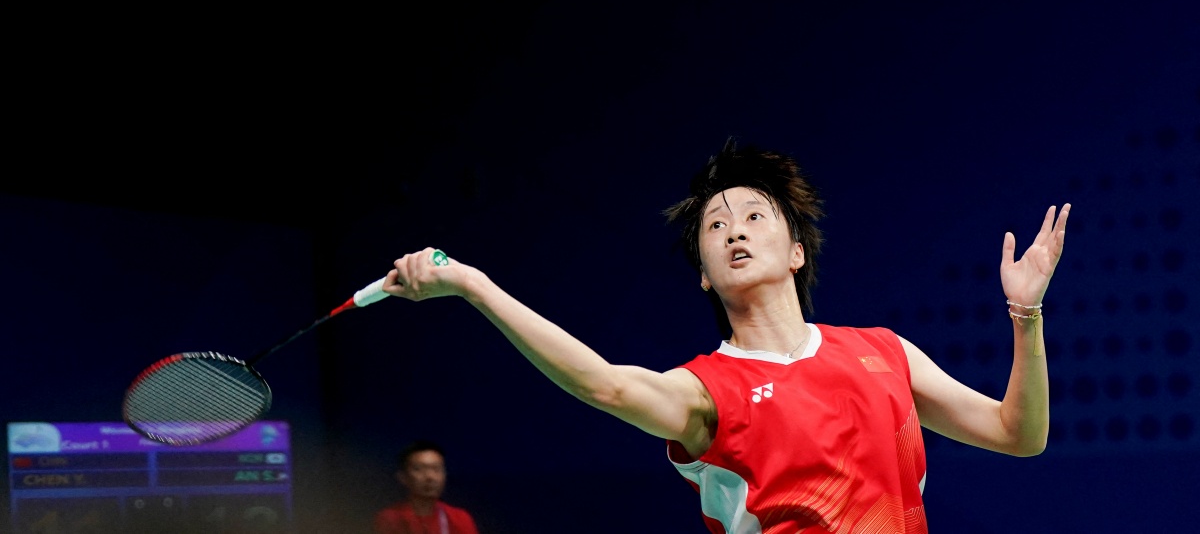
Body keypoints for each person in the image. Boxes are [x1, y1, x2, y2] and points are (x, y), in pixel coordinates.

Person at [382, 137, 1069, 533]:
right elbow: (603, 380)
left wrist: (1026, 317)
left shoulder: (884, 351)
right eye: (715, 225)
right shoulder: (709, 389)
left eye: (753, 215)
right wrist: (475, 285)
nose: (734, 228)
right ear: (705, 276)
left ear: (797, 251)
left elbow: (1020, 432)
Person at [374, 440, 480, 534]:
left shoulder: (460, 518)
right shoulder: (390, 518)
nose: (430, 477)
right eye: (419, 469)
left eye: (436, 469)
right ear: (403, 477)